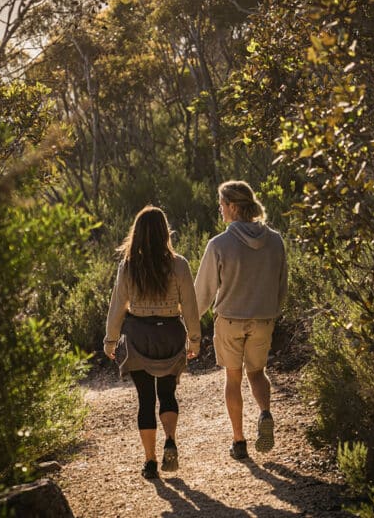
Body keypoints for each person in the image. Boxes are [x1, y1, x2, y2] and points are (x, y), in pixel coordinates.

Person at [104, 205, 201, 479]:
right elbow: (190, 307)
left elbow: (117, 307)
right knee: (167, 393)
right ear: (164, 231)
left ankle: (150, 461)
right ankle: (170, 439)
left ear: (137, 233)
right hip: (170, 334)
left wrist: (110, 341)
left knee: (145, 399)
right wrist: (194, 339)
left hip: (138, 336)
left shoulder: (128, 266)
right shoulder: (179, 264)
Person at [195, 180, 287, 460]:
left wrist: (190, 322)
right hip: (263, 319)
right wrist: (271, 312)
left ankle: (239, 442)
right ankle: (265, 413)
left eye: (221, 204)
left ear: (233, 207)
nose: (219, 209)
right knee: (257, 373)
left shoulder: (219, 244)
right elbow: (281, 285)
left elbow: (204, 291)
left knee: (233, 378)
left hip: (230, 321)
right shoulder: (275, 240)